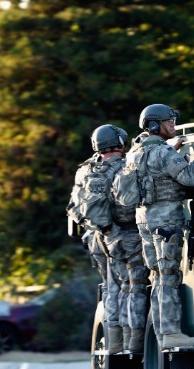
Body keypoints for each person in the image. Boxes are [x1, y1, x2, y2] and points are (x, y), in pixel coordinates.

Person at [127, 104, 194, 349]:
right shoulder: (163, 153)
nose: (174, 126)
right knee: (168, 276)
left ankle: (161, 333)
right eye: (169, 122)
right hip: (166, 221)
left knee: (157, 276)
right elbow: (190, 178)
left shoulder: (136, 152)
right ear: (155, 125)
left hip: (145, 219)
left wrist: (173, 150)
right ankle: (170, 333)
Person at [70, 124, 134, 354]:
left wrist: (97, 229)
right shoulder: (126, 166)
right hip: (122, 235)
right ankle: (128, 341)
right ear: (120, 141)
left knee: (110, 288)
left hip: (96, 236)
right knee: (129, 287)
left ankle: (113, 340)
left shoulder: (84, 170)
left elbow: (74, 207)